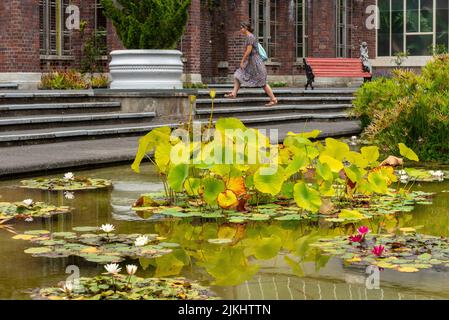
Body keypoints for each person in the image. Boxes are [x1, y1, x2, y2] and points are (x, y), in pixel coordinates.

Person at [224, 22, 278, 106]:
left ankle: (273, 99)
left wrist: (242, 61)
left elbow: (248, 51)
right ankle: (234, 93)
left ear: (246, 28)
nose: (240, 29)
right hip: (251, 62)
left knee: (262, 82)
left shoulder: (250, 37)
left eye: (241, 27)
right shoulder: (249, 36)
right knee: (238, 74)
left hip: (256, 63)